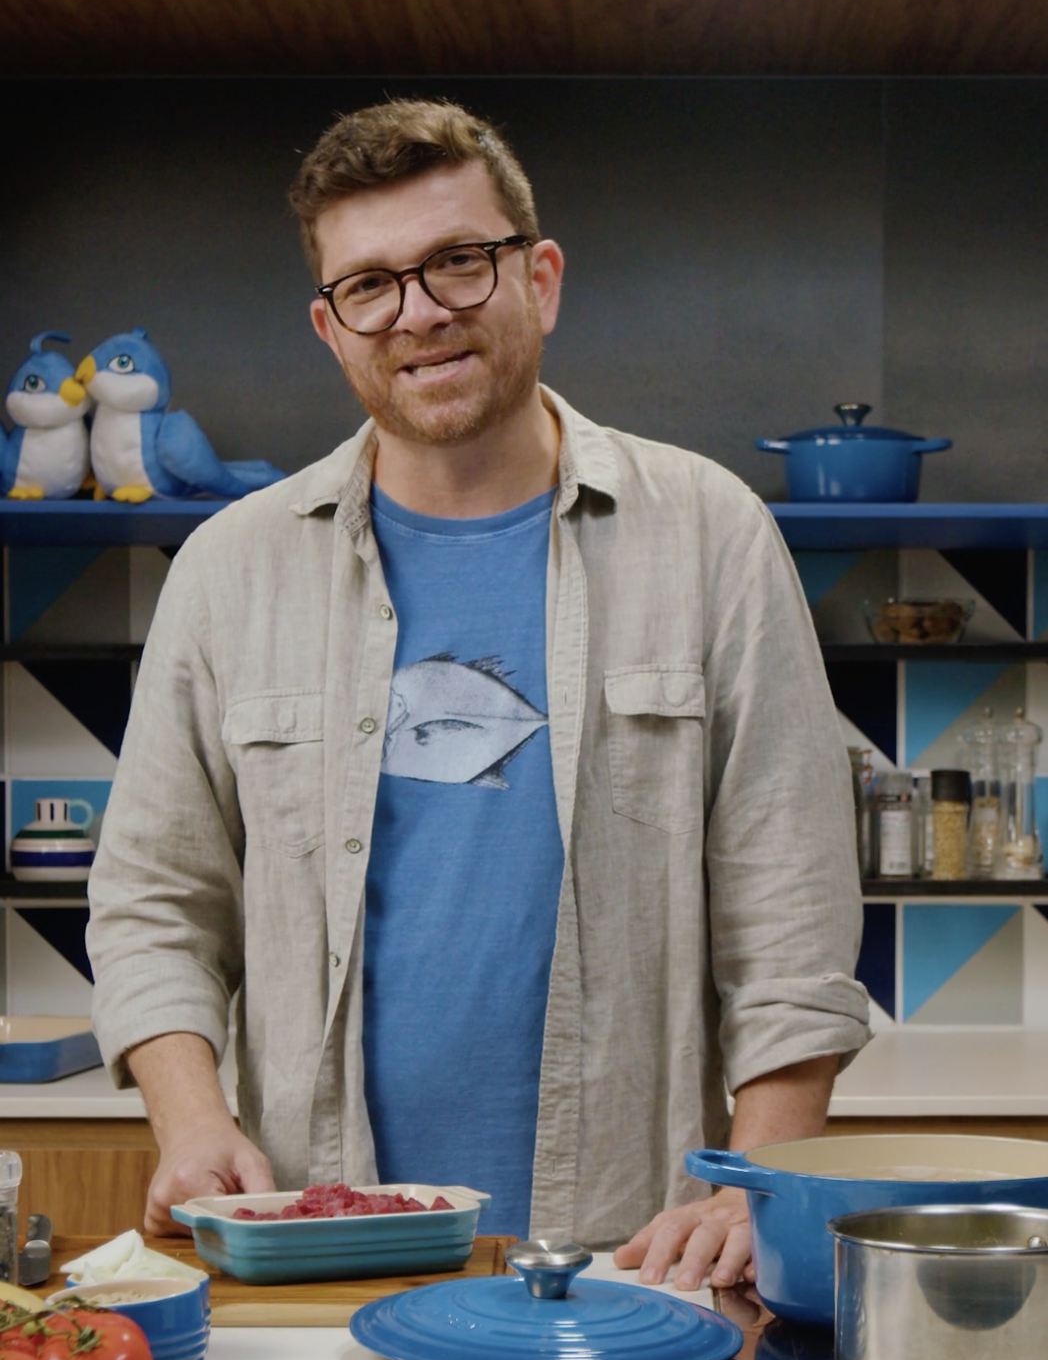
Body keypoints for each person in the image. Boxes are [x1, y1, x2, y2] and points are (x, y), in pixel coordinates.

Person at [87, 97, 870, 1291]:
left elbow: (791, 913)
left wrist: (752, 1182)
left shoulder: (710, 535)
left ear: (538, 280)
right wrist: (191, 1121)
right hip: (317, 1250)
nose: (418, 313)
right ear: (331, 327)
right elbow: (153, 896)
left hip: (637, 1259)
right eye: (370, 285)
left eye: (458, 261)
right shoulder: (230, 568)